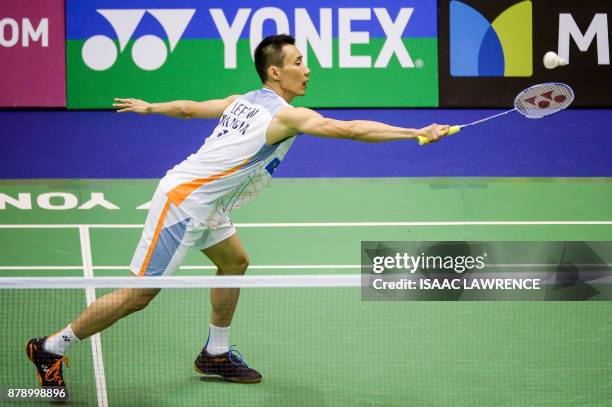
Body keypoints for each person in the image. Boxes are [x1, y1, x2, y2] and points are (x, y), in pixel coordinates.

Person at [26, 34, 449, 400]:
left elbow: (190, 109)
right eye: (299, 62)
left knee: (234, 263)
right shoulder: (288, 116)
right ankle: (50, 348)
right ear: (274, 73)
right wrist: (415, 132)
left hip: (210, 205)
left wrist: (153, 107)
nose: (307, 69)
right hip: (184, 204)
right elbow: (351, 129)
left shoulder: (243, 99)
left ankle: (215, 353)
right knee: (140, 294)